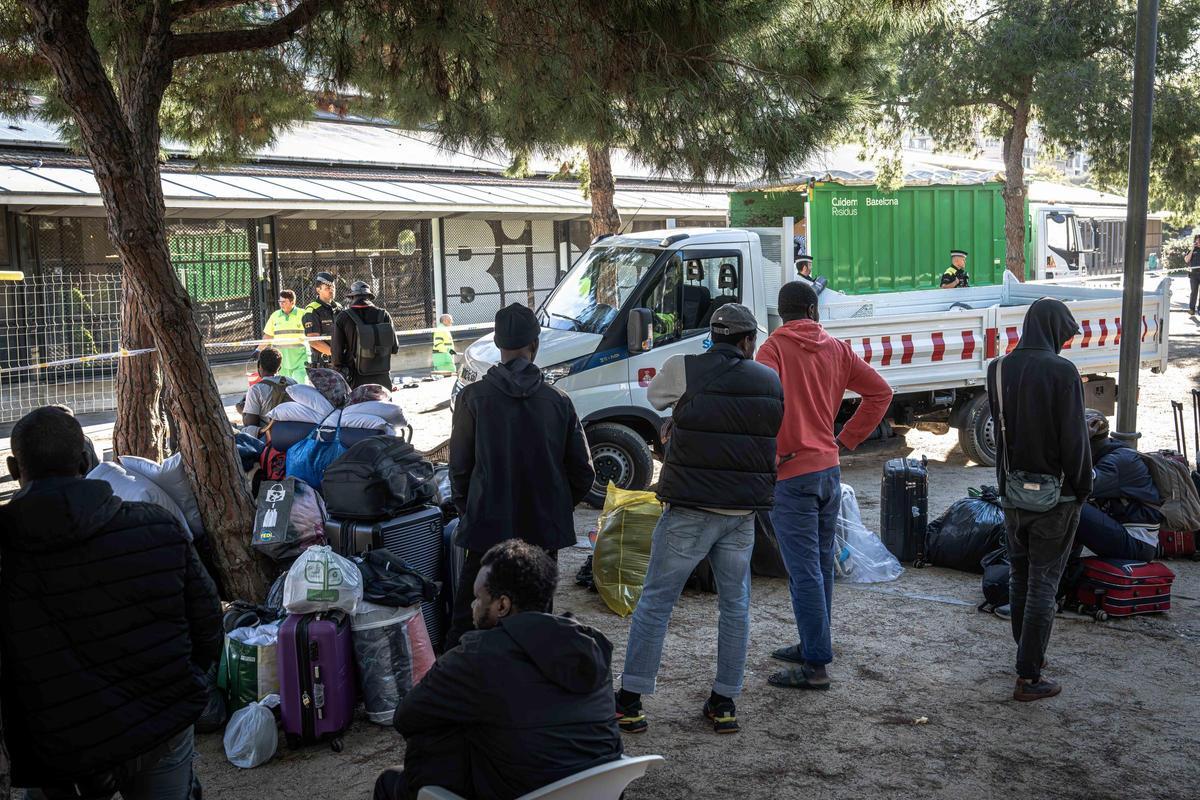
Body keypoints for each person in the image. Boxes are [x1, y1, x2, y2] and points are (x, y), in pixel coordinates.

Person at [0, 406, 222, 799]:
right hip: (161, 722)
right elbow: (207, 626)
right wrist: (183, 687)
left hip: (57, 744)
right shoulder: (156, 525)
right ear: (87, 460)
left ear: (15, 468)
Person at [614, 304, 783, 735]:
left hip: (689, 509)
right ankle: (724, 702)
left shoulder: (682, 367)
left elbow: (655, 399)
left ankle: (630, 703)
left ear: (713, 336)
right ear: (748, 341)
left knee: (656, 601)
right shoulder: (769, 380)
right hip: (741, 514)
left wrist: (679, 418)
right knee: (735, 606)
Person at [373, 539, 621, 800]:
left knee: (394, 779)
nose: (472, 606)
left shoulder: (476, 655)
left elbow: (406, 718)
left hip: (519, 791)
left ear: (502, 605)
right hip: (598, 789)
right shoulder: (591, 644)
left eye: (478, 598)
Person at [756, 280, 892, 691]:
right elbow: (880, 393)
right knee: (818, 567)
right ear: (814, 311)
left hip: (792, 474)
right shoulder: (838, 348)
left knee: (805, 572)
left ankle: (816, 664)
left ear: (781, 314)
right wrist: (845, 439)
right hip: (828, 472)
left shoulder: (772, 350)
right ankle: (813, 643)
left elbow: (761, 404)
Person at [446, 303, 595, 650]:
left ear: (498, 345)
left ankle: (465, 690)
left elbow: (459, 470)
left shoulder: (472, 398)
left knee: (470, 624)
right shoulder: (558, 401)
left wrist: (473, 511)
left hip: (486, 529)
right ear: (535, 344)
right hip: (542, 533)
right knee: (535, 623)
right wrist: (554, 506)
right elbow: (582, 472)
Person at [987, 298, 1091, 702]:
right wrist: (1083, 488)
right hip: (1056, 497)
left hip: (1013, 496)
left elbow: (1001, 440)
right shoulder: (1062, 372)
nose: (1065, 344)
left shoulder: (997, 369)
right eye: (1064, 336)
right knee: (1044, 584)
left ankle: (1026, 655)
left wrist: (1004, 489)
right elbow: (1074, 440)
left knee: (1020, 576)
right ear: (1053, 332)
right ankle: (1029, 677)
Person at [1076, 409, 1160, 561]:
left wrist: (1076, 442)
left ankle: (1061, 569)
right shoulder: (1108, 451)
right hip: (1124, 532)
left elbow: (1080, 486)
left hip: (1136, 542)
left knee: (1070, 508)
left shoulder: (1117, 461)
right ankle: (1066, 567)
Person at [332, 280, 398, 389]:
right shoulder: (384, 315)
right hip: (382, 378)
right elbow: (395, 348)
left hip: (355, 379)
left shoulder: (343, 317)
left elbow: (336, 355)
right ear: (369, 297)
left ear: (352, 298)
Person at [241, 346, 296, 437]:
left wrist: (242, 410)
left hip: (272, 436)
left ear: (259, 366)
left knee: (244, 431)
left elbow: (251, 424)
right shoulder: (292, 382)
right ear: (279, 367)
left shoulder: (256, 389)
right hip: (293, 431)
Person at [261, 289, 309, 384]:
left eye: (284, 302)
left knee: (301, 385)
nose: (281, 304)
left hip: (300, 358)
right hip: (282, 360)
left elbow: (312, 334)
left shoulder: (303, 314)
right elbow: (268, 335)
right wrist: (258, 350)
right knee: (284, 387)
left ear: (292, 302)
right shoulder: (275, 316)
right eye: (280, 301)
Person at [302, 271, 341, 370]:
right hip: (323, 364)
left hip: (340, 362)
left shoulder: (339, 308)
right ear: (318, 289)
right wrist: (336, 355)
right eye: (328, 288)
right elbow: (314, 341)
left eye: (333, 287)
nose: (331, 290)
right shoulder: (312, 310)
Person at [1188, 235, 1200, 314]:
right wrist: (1192, 249)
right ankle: (1192, 309)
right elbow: (1186, 259)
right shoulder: (1193, 250)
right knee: (1193, 292)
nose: (1198, 242)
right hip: (1193, 274)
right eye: (1197, 240)